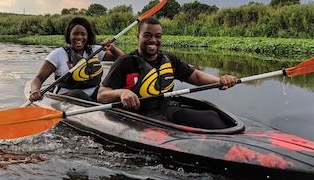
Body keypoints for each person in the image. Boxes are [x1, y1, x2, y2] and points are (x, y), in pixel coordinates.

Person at [97, 17, 237, 129]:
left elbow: (195, 76)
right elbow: (101, 95)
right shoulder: (124, 63)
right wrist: (122, 93)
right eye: (147, 35)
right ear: (137, 36)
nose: (153, 40)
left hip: (166, 109)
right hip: (138, 116)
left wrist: (219, 80)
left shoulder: (169, 59)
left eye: (158, 36)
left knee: (212, 117)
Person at [29, 17, 124, 102]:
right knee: (77, 94)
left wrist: (113, 48)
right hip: (67, 98)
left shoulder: (95, 50)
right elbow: (39, 78)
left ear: (88, 36)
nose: (79, 37)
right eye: (75, 34)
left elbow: (123, 60)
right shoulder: (58, 54)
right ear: (69, 36)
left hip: (95, 95)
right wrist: (34, 90)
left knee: (111, 91)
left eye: (83, 34)